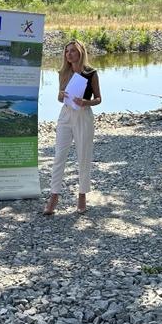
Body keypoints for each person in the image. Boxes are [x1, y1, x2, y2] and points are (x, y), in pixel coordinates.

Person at [43, 39, 102, 215]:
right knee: (59, 154)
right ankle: (54, 195)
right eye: (67, 51)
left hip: (83, 115)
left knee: (83, 155)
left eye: (73, 51)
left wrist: (86, 102)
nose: (69, 54)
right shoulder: (63, 72)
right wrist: (61, 95)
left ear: (81, 53)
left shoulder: (91, 73)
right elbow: (60, 98)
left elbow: (99, 98)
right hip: (66, 114)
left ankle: (82, 194)